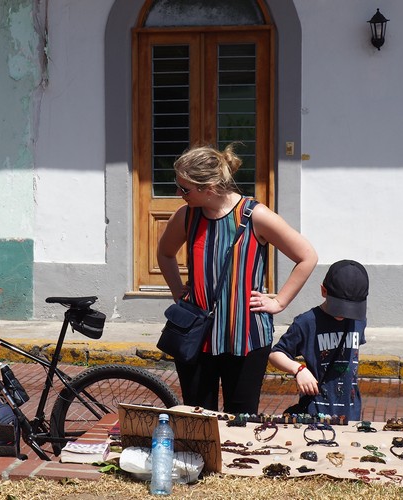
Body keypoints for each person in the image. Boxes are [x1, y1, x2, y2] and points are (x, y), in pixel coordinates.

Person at [157, 144, 317, 414]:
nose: (178, 193)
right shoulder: (187, 216)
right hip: (196, 335)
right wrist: (178, 293)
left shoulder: (256, 215)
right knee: (198, 417)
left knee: (242, 418)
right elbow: (165, 253)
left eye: (185, 189)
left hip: (247, 337)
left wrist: (279, 302)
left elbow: (307, 256)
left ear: (209, 187)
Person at [269, 260, 368, 421]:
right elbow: (276, 354)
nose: (344, 314)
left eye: (350, 308)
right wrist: (299, 370)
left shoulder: (358, 320)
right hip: (315, 411)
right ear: (323, 291)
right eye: (339, 307)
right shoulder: (307, 322)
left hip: (351, 414)